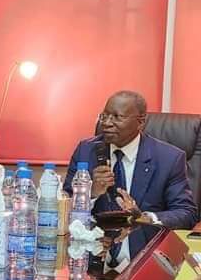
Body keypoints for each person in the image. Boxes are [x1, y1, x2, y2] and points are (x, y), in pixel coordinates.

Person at [63, 90, 198, 230]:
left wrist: (145, 218)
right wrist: (90, 193)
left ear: (141, 122)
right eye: (104, 116)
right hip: (94, 241)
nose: (107, 123)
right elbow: (64, 205)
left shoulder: (169, 158)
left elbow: (186, 213)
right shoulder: (86, 151)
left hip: (143, 242)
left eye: (117, 117)